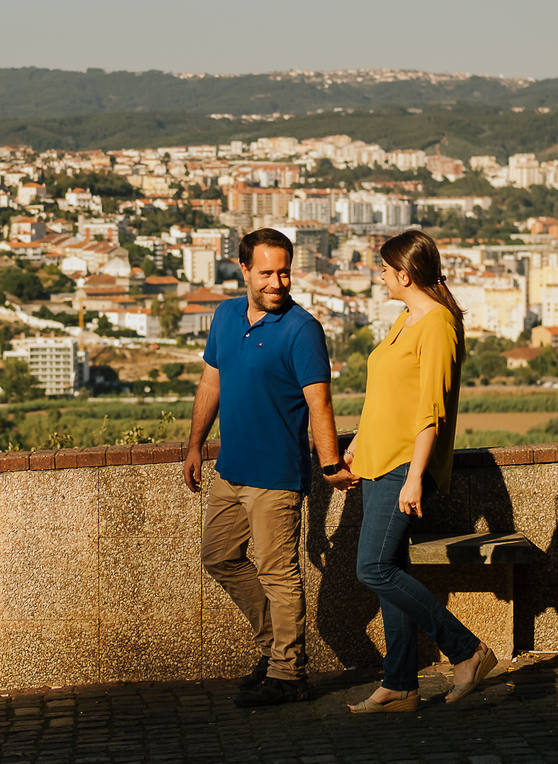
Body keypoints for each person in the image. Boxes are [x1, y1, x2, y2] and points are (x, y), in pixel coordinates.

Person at [183, 228, 358, 708]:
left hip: (277, 475)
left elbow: (319, 402)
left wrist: (328, 464)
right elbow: (211, 382)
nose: (277, 282)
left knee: (279, 574)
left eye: (284, 271)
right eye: (266, 273)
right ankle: (273, 649)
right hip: (230, 469)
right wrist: (196, 444)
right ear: (243, 269)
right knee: (219, 557)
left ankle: (289, 674)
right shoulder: (223, 316)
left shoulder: (302, 329)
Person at [344, 229, 496, 714]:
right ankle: (401, 683)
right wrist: (357, 447)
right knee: (392, 568)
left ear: (404, 275)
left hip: (404, 467)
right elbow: (388, 397)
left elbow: (431, 410)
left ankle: (467, 650)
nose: (381, 277)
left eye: (385, 271)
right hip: (378, 461)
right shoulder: (408, 319)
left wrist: (415, 476)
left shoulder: (437, 326)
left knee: (373, 568)